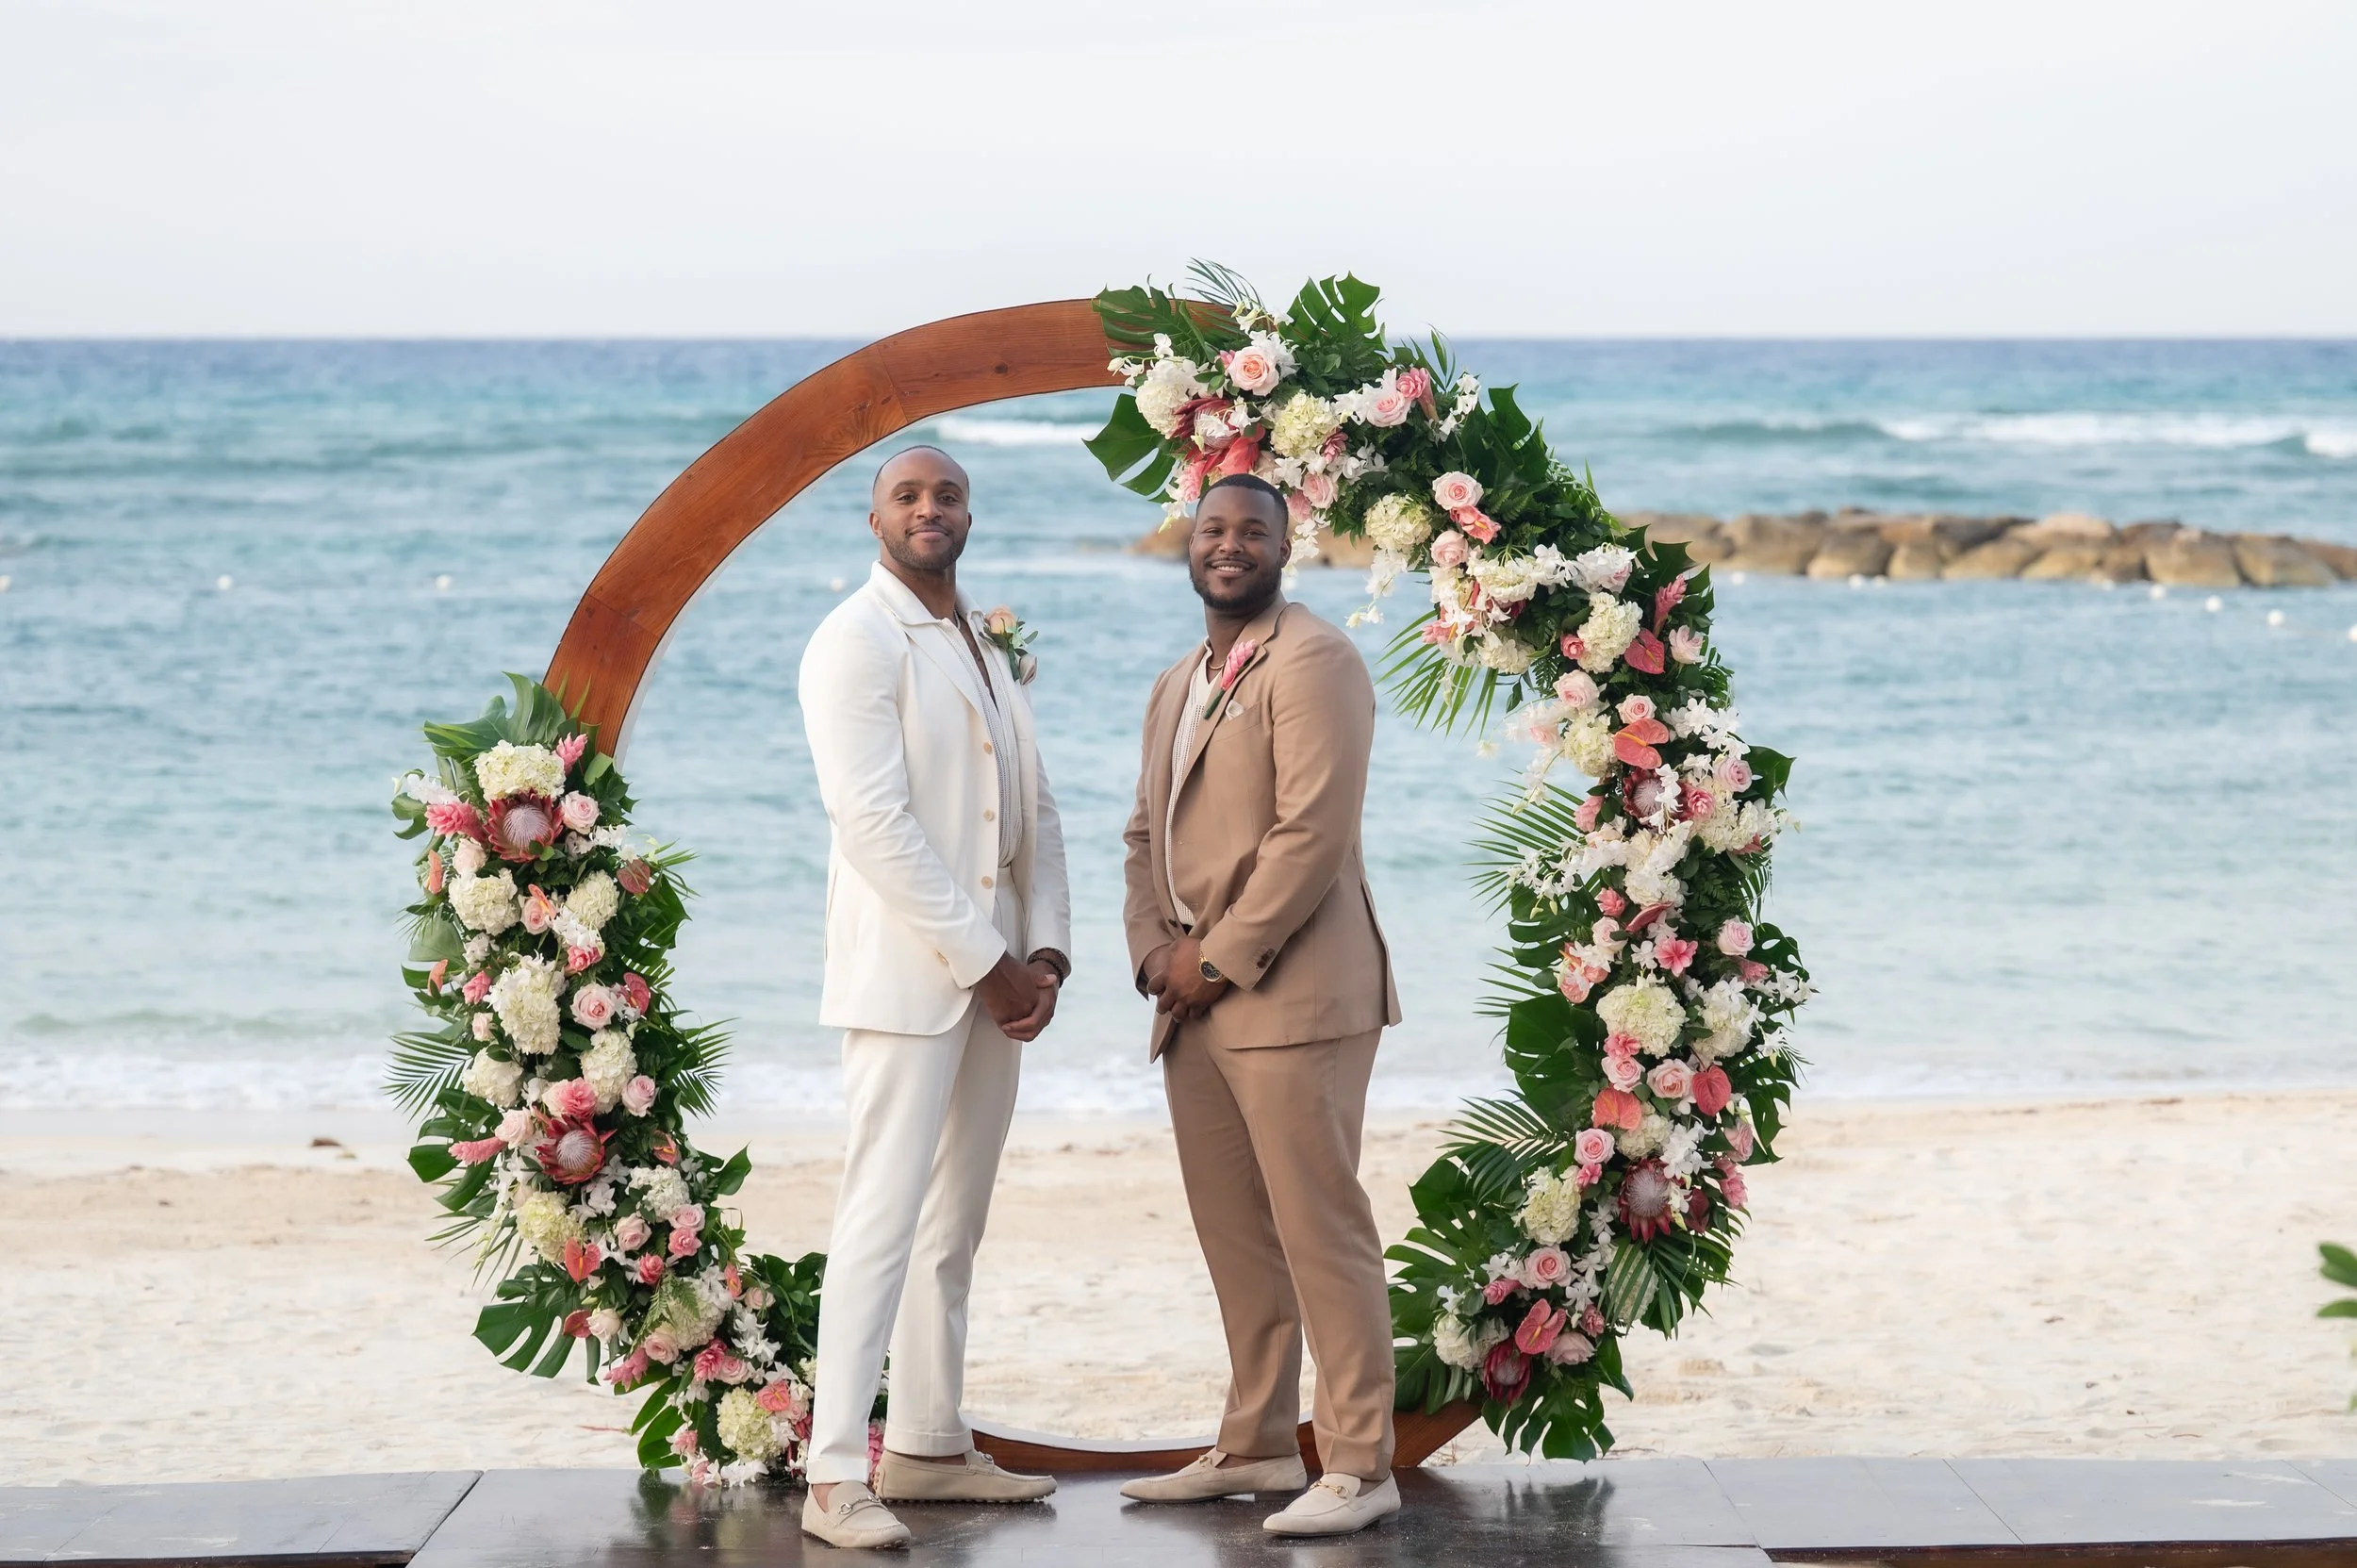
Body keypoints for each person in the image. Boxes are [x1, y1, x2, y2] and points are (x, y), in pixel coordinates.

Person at [1116, 473, 1405, 1538]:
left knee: (1320, 1229)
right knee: (1236, 1236)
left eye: (1252, 530)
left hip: (1294, 992)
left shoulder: (1317, 659)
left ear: (1287, 547)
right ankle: (1255, 1443)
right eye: (1212, 528)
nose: (1228, 544)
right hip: (1190, 1000)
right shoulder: (1175, 680)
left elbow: (1310, 834)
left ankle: (1361, 1462)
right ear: (1188, 544)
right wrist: (1154, 949)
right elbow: (1142, 834)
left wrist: (1218, 958)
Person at [797, 446, 1069, 1550]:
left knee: (954, 1222)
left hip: (1001, 975)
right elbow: (872, 824)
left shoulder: (984, 647)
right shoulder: (854, 640)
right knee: (880, 1216)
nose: (928, 508)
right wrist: (985, 958)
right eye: (906, 495)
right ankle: (831, 1475)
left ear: (969, 513)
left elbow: (1033, 805)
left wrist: (1045, 949)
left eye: (946, 494)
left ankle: (926, 1442)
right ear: (872, 518)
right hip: (912, 976)